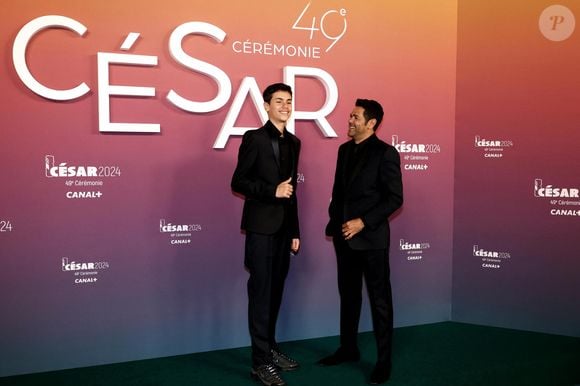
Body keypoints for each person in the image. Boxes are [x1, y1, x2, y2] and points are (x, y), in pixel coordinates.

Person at [318, 99, 403, 384]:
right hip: (345, 239)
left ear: (371, 123)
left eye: (355, 117)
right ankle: (348, 348)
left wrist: (363, 222)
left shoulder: (386, 153)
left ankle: (383, 360)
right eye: (350, 116)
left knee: (380, 301)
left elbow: (395, 198)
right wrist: (336, 220)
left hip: (372, 240)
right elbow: (338, 191)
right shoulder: (344, 150)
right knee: (349, 296)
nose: (350, 120)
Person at [231, 83, 301, 386]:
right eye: (278, 101)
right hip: (261, 229)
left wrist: (295, 229)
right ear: (266, 106)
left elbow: (292, 190)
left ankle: (270, 350)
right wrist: (271, 191)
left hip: (284, 230)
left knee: (274, 294)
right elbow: (239, 181)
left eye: (288, 101)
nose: (284, 106)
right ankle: (259, 363)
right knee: (260, 295)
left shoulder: (295, 142)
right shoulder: (254, 138)